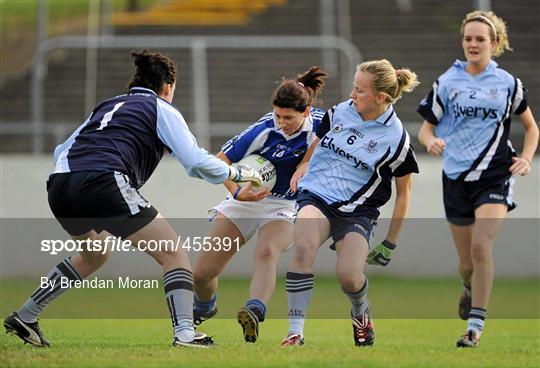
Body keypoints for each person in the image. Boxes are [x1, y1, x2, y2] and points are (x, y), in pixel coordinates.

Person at [3, 50, 262, 348]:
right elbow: (195, 161)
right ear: (168, 87)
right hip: (102, 180)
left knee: (95, 254)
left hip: (60, 184)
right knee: (173, 252)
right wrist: (238, 173)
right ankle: (186, 334)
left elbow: (63, 148)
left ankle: (26, 314)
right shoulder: (161, 108)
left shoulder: (107, 105)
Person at [417, 10, 539, 348]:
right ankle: (469, 287)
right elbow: (426, 128)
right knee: (467, 263)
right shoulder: (447, 81)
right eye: (468, 38)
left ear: (494, 43)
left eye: (480, 39)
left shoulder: (508, 84)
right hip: (455, 176)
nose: (473, 44)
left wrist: (526, 158)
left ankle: (474, 328)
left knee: (481, 247)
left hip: (495, 174)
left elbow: (531, 127)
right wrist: (432, 141)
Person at [280, 59, 420, 347]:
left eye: (359, 90)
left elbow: (404, 194)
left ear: (380, 97)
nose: (352, 94)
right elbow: (319, 139)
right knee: (303, 247)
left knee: (349, 277)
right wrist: (303, 164)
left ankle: (360, 310)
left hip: (358, 212)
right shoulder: (340, 112)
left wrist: (390, 243)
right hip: (316, 195)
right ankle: (295, 332)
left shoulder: (397, 141)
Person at [192, 66, 328, 343]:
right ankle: (205, 306)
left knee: (267, 251)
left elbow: (340, 134)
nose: (281, 122)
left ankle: (254, 310)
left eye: (288, 117)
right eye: (277, 115)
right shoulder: (264, 130)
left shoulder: (324, 124)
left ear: (306, 111)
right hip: (245, 200)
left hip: (287, 205)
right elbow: (221, 162)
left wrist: (306, 165)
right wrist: (236, 192)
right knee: (202, 274)